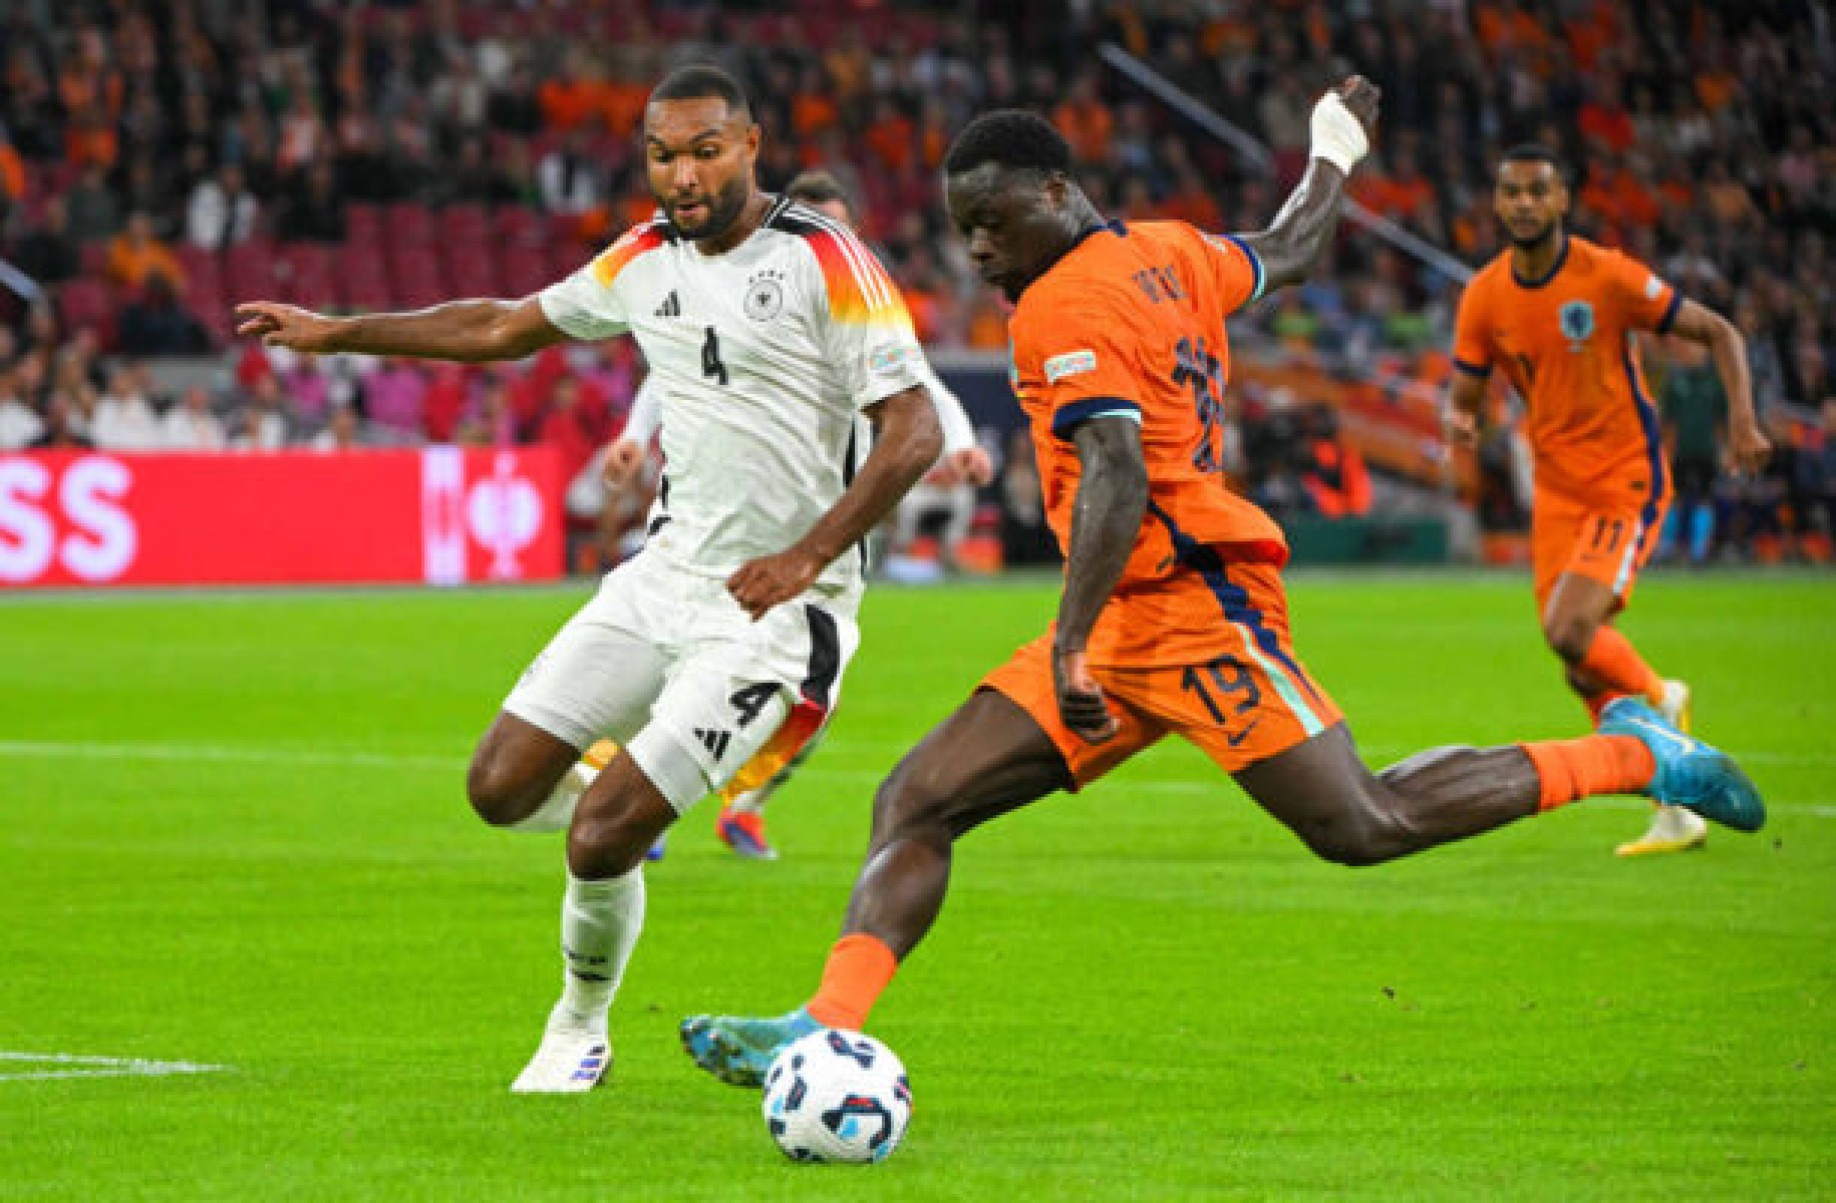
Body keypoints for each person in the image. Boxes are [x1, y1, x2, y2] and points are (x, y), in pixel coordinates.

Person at [679, 82, 1766, 1087]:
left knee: (1363, 821)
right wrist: (1334, 145)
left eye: (996, 222)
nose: (976, 248)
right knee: (918, 798)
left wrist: (1068, 643)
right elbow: (1292, 245)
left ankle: (1638, 753)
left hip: (1196, 608)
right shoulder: (1173, 252)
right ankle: (828, 1023)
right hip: (1120, 613)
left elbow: (1115, 466)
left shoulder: (1062, 306)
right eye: (966, 227)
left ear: (1058, 194)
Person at [235, 65, 941, 1095]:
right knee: (495, 788)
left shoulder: (826, 261)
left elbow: (913, 428)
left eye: (705, 149)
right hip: (663, 579)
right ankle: (616, 799)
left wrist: (806, 559)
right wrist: (340, 330)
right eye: (663, 154)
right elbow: (500, 325)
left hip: (777, 616)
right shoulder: (643, 257)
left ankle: (580, 1028)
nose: (683, 175)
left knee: (604, 832)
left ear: (750, 144)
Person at [604, 167, 994, 862]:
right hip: (731, 525)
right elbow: (672, 368)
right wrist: (636, 435)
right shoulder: (740, 295)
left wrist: (960, 444)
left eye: (839, 228)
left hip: (826, 536)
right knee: (688, 668)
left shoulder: (857, 303)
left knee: (810, 703)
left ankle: (740, 807)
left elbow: (921, 385)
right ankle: (645, 801)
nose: (826, 241)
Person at [1444, 144, 1770, 857]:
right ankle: (1677, 809)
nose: (1523, 203)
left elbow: (1719, 331)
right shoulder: (1485, 296)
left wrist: (1742, 420)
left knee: (1569, 630)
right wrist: (1461, 420)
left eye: (1537, 190)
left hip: (1624, 478)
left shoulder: (1608, 276)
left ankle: (1660, 699)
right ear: (1496, 204)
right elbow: (1466, 387)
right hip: (1556, 490)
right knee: (1578, 660)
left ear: (1562, 201)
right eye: (1511, 192)